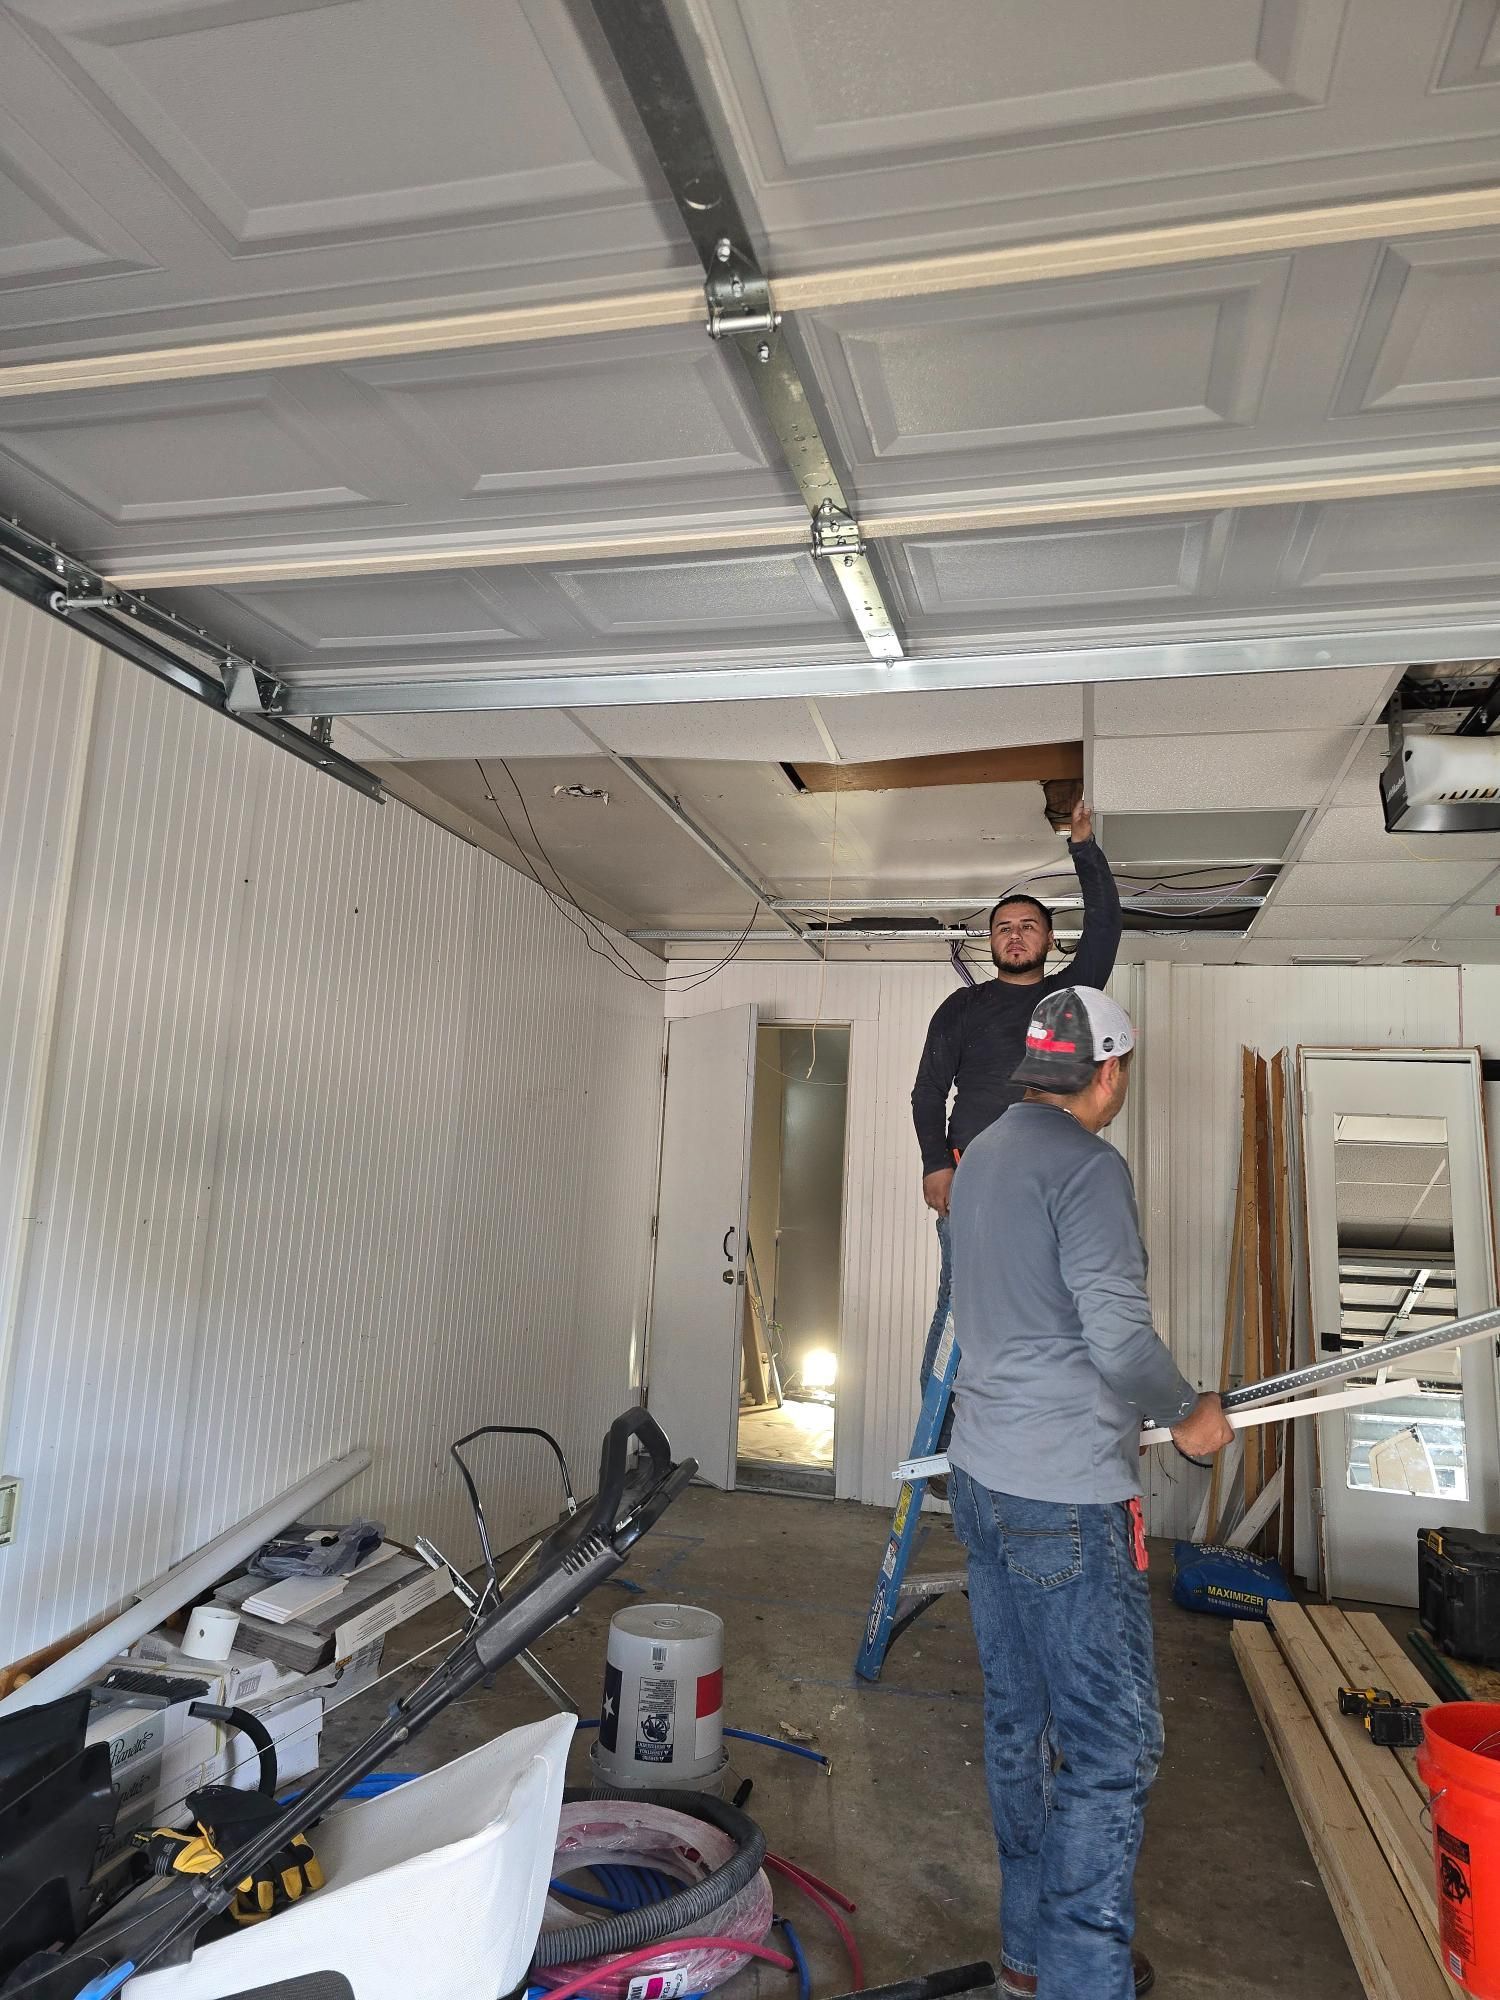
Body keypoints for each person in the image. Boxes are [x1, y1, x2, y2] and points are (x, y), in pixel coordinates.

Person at [946, 986, 1234, 2000]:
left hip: (978, 1477)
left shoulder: (979, 1155)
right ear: (1106, 1071)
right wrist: (1190, 1411)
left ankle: (1031, 1954)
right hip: (1063, 1497)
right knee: (1112, 1748)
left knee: (1020, 1723)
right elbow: (1115, 1338)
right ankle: (1081, 1975)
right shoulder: (1089, 1167)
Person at [910, 798, 1122, 1428]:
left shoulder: (1070, 997)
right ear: (991, 941)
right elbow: (927, 1094)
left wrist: (1083, 844)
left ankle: (1016, 1427)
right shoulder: (962, 1008)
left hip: (1050, 1182)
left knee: (1049, 1301)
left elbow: (1107, 925)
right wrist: (933, 1166)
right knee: (959, 1305)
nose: (1015, 934)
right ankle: (941, 1435)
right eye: (1004, 927)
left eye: (1028, 925)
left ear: (1049, 939)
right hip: (971, 1178)